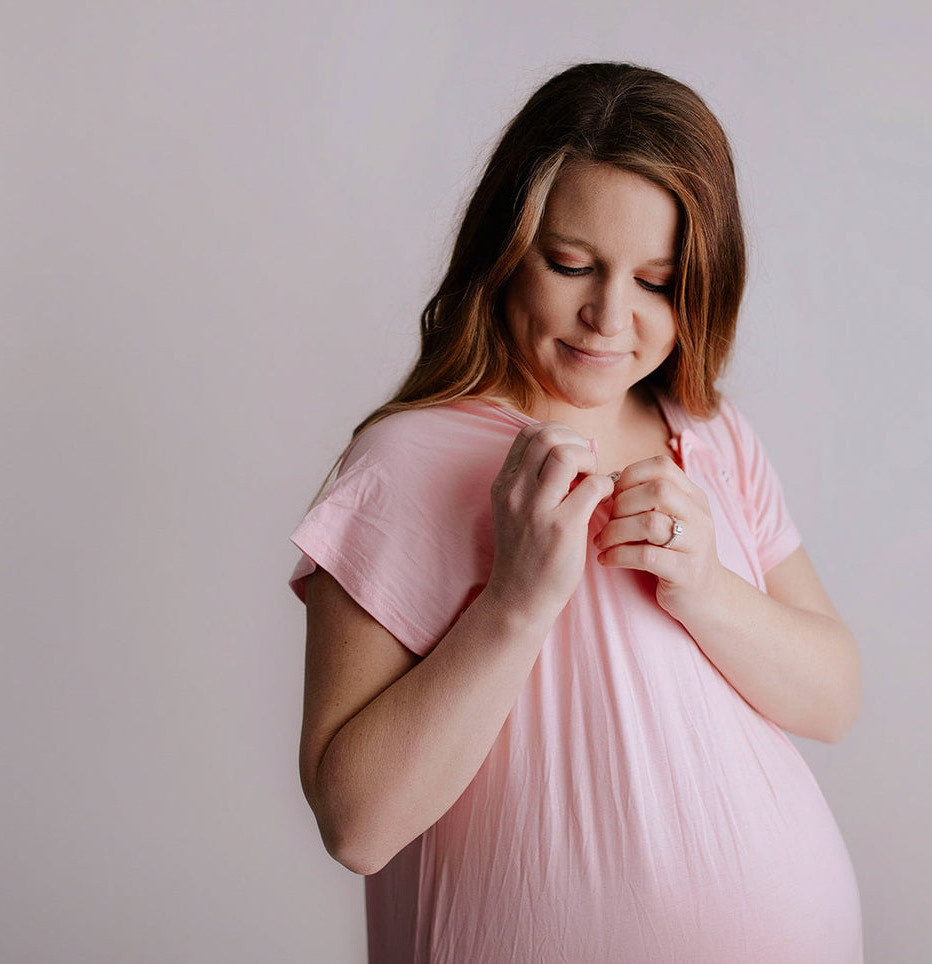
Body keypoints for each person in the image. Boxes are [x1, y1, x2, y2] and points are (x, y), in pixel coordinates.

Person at [287, 62, 864, 963]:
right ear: (504, 251)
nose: (608, 316)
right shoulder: (405, 464)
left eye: (657, 281)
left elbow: (833, 700)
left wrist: (706, 589)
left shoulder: (710, 435)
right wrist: (514, 603)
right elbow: (357, 826)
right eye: (570, 265)